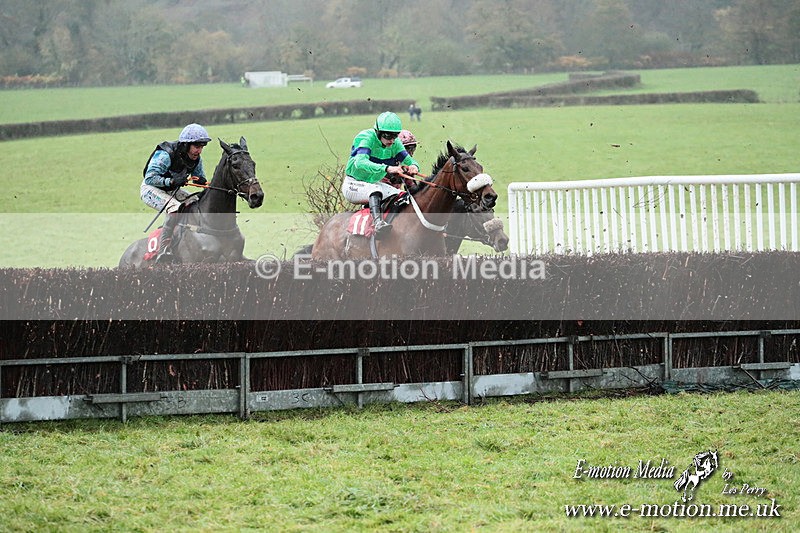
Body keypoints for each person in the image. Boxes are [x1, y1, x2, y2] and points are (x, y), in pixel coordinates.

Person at [140, 123, 211, 263]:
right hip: (150, 189)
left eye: (202, 147)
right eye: (197, 146)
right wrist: (171, 181)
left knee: (194, 202)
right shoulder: (166, 154)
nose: (199, 151)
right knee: (174, 208)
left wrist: (202, 182)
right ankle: (163, 250)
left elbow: (197, 178)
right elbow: (149, 178)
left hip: (171, 189)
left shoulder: (196, 159)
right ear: (186, 145)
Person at [343, 111, 420, 238]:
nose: (392, 140)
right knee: (375, 189)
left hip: (374, 183)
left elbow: (410, 161)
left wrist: (414, 167)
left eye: (395, 136)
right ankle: (378, 224)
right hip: (353, 184)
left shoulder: (395, 143)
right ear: (378, 132)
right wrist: (388, 168)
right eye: (388, 136)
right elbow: (360, 162)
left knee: (402, 196)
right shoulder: (366, 137)